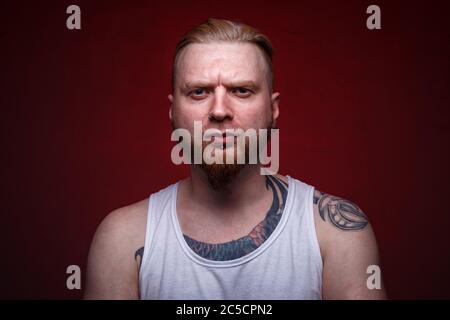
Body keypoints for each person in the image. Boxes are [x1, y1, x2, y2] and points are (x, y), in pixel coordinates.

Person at [84, 18, 386, 300]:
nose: (219, 110)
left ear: (273, 108)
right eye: (199, 92)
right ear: (172, 111)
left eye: (241, 90)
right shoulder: (121, 240)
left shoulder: (336, 233)